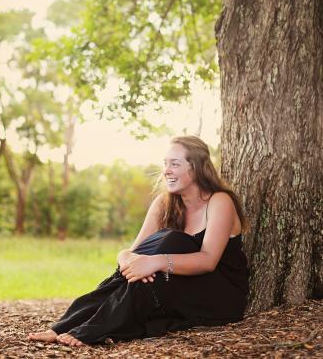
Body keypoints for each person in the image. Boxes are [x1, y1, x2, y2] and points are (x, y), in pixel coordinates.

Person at [28, 135, 249, 347]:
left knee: (172, 242)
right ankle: (62, 327)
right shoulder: (165, 203)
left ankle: (92, 329)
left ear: (197, 166)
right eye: (165, 163)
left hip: (219, 292)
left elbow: (208, 260)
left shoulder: (220, 201)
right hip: (179, 284)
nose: (166, 171)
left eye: (175, 164)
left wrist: (157, 262)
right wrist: (126, 258)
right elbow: (135, 252)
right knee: (140, 274)